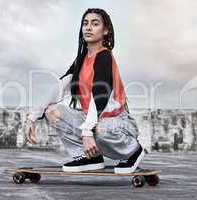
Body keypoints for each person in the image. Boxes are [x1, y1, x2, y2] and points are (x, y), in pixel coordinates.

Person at [25, 8, 144, 173]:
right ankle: (89, 157)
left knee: (98, 129)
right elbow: (58, 87)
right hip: (94, 119)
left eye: (95, 24)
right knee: (52, 111)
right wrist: (32, 117)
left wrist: (87, 132)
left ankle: (134, 150)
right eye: (85, 23)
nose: (88, 28)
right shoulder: (80, 60)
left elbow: (100, 96)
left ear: (105, 30)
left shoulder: (104, 56)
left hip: (118, 122)